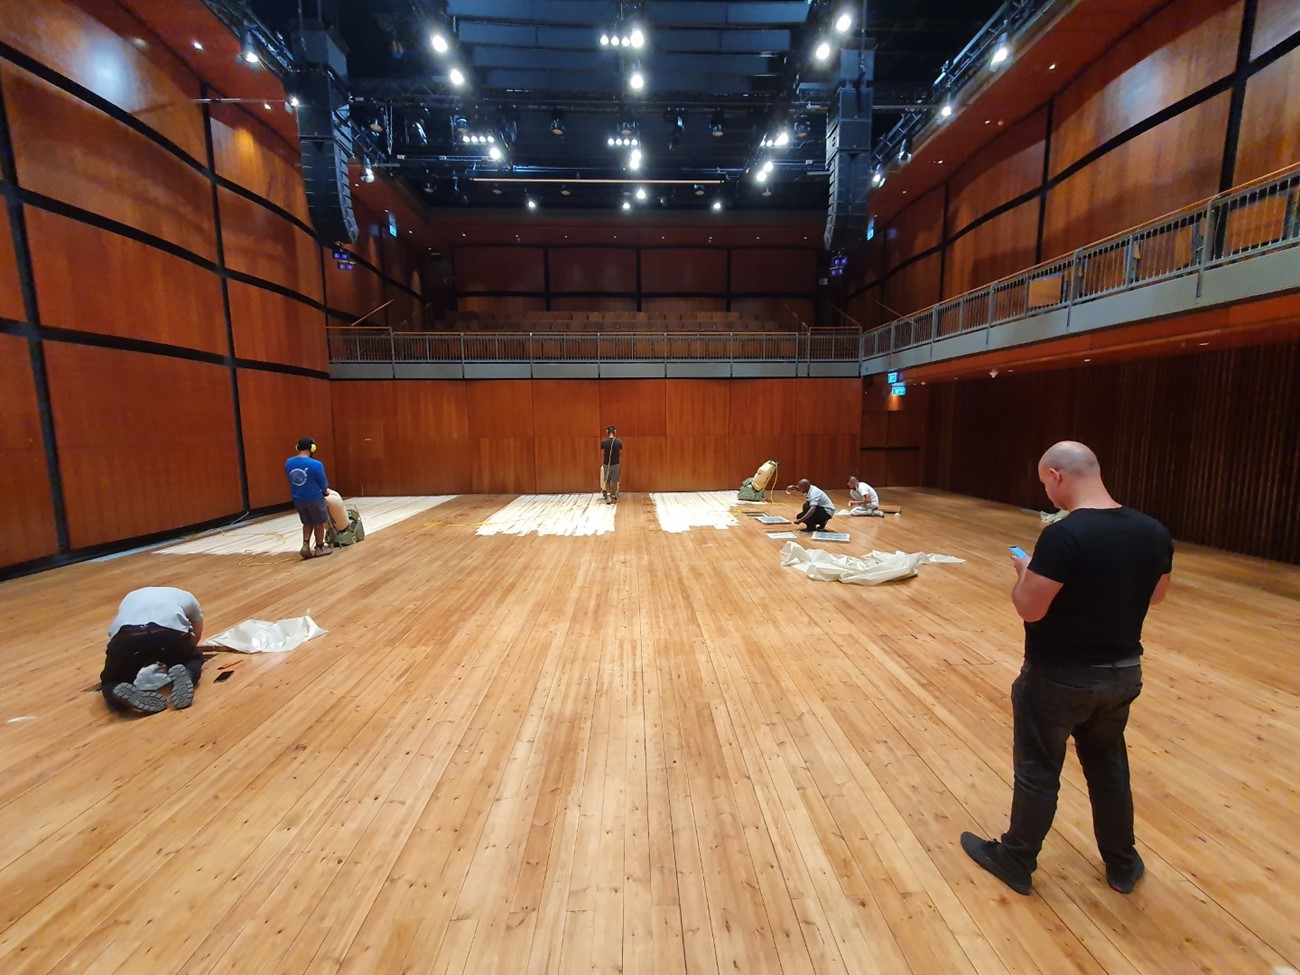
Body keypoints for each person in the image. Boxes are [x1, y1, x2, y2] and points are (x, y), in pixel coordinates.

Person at [961, 441, 1173, 897]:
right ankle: (1122, 863)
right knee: (1108, 766)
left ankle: (1016, 858)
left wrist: (1025, 571)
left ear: (1057, 476)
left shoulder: (1064, 535)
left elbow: (1030, 608)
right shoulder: (1153, 530)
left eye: (1045, 484)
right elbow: (1156, 596)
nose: (1048, 493)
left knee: (1039, 769)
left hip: (1057, 676)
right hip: (1122, 674)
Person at [100, 587, 205, 715]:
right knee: (192, 660)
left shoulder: (130, 596)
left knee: (112, 681)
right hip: (167, 633)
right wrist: (182, 654)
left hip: (127, 636)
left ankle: (117, 692)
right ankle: (188, 673)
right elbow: (196, 634)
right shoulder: (188, 597)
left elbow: (118, 634)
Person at [285, 436, 332, 558]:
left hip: (298, 498)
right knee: (318, 523)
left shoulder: (289, 462)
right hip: (314, 498)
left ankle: (305, 545)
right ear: (312, 448)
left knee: (307, 522)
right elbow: (323, 483)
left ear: (297, 447)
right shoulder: (316, 464)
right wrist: (325, 492)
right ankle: (319, 548)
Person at [600, 425, 624, 504]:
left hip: (606, 464)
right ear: (615, 432)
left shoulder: (603, 442)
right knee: (615, 481)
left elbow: (602, 453)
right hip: (616, 464)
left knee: (607, 480)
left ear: (607, 432)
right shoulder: (619, 442)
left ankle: (608, 496)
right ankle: (614, 496)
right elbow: (620, 453)